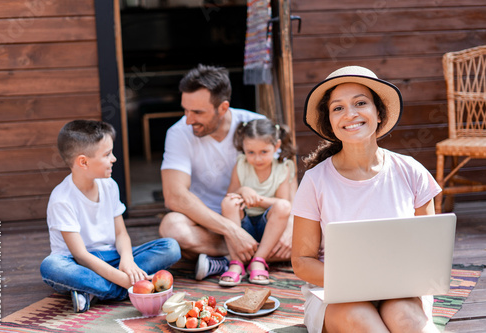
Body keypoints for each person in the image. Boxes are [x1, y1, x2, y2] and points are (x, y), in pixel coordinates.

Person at [291, 66, 442, 332]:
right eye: (338, 108)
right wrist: (360, 281)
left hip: (400, 289)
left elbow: (428, 255)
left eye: (360, 103)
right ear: (330, 121)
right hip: (336, 294)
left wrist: (391, 282)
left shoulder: (411, 171)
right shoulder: (315, 181)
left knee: (407, 320)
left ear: (379, 113)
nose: (350, 114)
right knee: (365, 323)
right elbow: (302, 262)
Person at [159, 64, 294, 281]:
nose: (188, 119)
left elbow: (286, 174)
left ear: (223, 108)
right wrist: (232, 231)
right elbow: (175, 196)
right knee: (172, 227)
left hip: (261, 217)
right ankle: (257, 256)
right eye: (185, 110)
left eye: (197, 112)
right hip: (210, 223)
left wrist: (291, 225)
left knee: (313, 233)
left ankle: (228, 261)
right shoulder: (178, 133)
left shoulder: (254, 125)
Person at [40, 120, 181, 313]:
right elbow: (81, 255)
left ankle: (93, 292)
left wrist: (128, 260)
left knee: (170, 247)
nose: (114, 159)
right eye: (107, 154)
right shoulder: (62, 199)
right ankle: (126, 289)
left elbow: (121, 233)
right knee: (51, 266)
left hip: (112, 257)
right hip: (78, 263)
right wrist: (126, 280)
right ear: (83, 162)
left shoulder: (110, 185)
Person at [219, 118, 296, 286]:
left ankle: (259, 260)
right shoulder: (241, 165)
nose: (257, 158)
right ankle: (236, 262)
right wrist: (242, 191)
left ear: (276, 147)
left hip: (269, 229)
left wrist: (258, 200)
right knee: (228, 203)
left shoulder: (283, 168)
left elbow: (283, 203)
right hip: (242, 230)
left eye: (264, 152)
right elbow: (230, 195)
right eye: (251, 152)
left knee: (283, 206)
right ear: (243, 149)